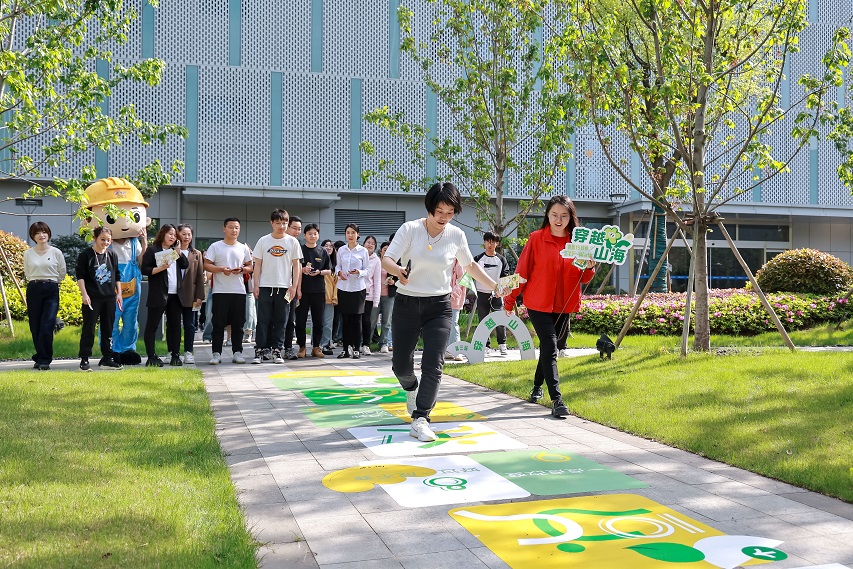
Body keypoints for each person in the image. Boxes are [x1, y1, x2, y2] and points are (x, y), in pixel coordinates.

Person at [382, 182, 506, 442]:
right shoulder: (410, 229)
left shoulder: (456, 235)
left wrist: (495, 286)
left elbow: (470, 266)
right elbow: (387, 259)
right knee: (401, 365)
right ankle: (411, 387)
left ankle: (421, 418)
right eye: (439, 212)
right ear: (429, 208)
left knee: (434, 364)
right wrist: (398, 271)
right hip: (407, 303)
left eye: (450, 213)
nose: (444, 218)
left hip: (439, 306)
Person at [504, 195, 595, 417]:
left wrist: (590, 267)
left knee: (548, 348)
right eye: (554, 214)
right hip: (538, 302)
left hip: (564, 305)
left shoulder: (578, 243)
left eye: (564, 216)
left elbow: (583, 278)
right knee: (550, 345)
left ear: (571, 218)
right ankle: (557, 399)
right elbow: (521, 272)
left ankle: (536, 387)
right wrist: (509, 300)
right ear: (547, 215)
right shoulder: (536, 239)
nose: (558, 220)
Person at [251, 209, 301, 365]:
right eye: (278, 223)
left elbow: (296, 265)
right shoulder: (263, 241)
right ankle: (260, 350)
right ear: (271, 223)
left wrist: (294, 286)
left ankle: (277, 350)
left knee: (281, 321)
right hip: (265, 286)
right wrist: (256, 285)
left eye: (284, 223)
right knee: (263, 321)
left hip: (284, 287)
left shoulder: (292, 242)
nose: (281, 226)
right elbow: (257, 264)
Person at [204, 217, 253, 365]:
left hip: (239, 291)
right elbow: (206, 265)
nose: (234, 230)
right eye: (231, 227)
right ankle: (216, 354)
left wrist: (242, 270)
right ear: (224, 229)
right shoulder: (215, 246)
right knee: (218, 324)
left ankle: (237, 352)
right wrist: (220, 269)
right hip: (220, 291)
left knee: (238, 323)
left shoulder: (243, 248)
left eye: (237, 227)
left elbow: (250, 267)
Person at [141, 224, 189, 367]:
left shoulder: (175, 251)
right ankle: (151, 356)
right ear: (162, 234)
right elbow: (144, 269)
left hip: (175, 294)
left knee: (175, 326)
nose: (172, 237)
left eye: (174, 235)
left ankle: (175, 355)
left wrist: (179, 251)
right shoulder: (153, 250)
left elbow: (185, 265)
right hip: (159, 293)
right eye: (170, 234)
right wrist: (160, 268)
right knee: (152, 325)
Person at [76, 226, 123, 370]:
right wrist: (84, 294)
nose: (105, 242)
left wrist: (119, 293)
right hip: (92, 298)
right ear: (95, 238)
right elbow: (80, 276)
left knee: (108, 328)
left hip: (109, 298)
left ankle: (107, 358)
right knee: (89, 328)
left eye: (108, 240)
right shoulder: (86, 255)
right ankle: (84, 358)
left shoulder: (112, 255)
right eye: (102, 239)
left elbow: (117, 275)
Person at [23, 221, 66, 371]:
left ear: (48, 234)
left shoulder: (56, 252)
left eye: (44, 232)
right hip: (34, 288)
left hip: (51, 288)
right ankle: (40, 356)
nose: (41, 235)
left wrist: (52, 281)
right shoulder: (28, 253)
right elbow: (27, 272)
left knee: (47, 325)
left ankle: (45, 360)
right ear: (33, 236)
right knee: (35, 325)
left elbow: (62, 272)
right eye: (37, 233)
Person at [296, 223, 332, 358]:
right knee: (300, 320)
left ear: (318, 235)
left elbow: (329, 270)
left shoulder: (322, 251)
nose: (312, 236)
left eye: (315, 234)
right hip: (303, 291)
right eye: (309, 234)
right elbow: (294, 268)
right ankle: (302, 347)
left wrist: (319, 272)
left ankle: (316, 347)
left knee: (318, 321)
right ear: (304, 235)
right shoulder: (300, 250)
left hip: (318, 290)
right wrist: (303, 270)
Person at [335, 223, 370, 359]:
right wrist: (339, 273)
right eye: (348, 232)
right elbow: (337, 267)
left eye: (353, 232)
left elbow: (367, 270)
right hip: (343, 288)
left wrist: (359, 272)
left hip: (358, 288)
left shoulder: (363, 251)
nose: (350, 235)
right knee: (345, 320)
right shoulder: (341, 250)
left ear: (358, 234)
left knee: (356, 320)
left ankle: (356, 348)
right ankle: (345, 349)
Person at [474, 231, 510, 355]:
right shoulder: (477, 259)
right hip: (482, 294)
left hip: (497, 295)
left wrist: (501, 291)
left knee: (500, 320)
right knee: (483, 321)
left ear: (497, 243)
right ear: (484, 243)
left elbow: (505, 276)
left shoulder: (501, 260)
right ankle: (486, 346)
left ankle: (502, 344)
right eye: (487, 242)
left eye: (492, 242)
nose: (490, 245)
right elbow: (471, 275)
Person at [176, 224, 205, 364]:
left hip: (190, 294)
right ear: (177, 235)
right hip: (174, 293)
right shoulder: (171, 251)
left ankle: (188, 352)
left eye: (189, 234)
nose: (186, 237)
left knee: (190, 325)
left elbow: (200, 276)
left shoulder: (196, 253)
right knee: (174, 324)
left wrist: (199, 296)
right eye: (183, 234)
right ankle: (173, 352)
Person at [282, 215, 303, 360]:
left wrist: (297, 288)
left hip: (291, 289)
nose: (297, 231)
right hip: (275, 286)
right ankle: (270, 348)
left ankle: (288, 348)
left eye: (299, 229)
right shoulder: (277, 242)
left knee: (290, 319)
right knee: (275, 320)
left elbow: (298, 268)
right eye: (294, 228)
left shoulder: (296, 244)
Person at [361, 235, 382, 355]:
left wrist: (376, 300)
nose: (370, 245)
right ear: (363, 243)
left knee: (366, 321)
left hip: (368, 295)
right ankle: (355, 344)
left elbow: (377, 281)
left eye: (373, 243)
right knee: (355, 320)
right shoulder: (358, 255)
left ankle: (366, 345)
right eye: (368, 242)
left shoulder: (376, 260)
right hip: (355, 293)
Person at [444, 259, 466, 362]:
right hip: (442, 296)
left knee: (453, 323)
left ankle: (457, 351)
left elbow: (462, 280)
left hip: (454, 298)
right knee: (444, 324)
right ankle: (448, 350)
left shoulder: (459, 261)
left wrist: (453, 294)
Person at [377, 241, 395, 354]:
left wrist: (394, 282)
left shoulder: (393, 263)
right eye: (384, 249)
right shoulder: (376, 261)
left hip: (388, 296)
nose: (386, 252)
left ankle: (384, 343)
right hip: (375, 296)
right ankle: (366, 343)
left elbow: (400, 278)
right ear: (381, 251)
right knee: (371, 321)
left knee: (387, 321)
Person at [319, 239, 337, 355]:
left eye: (331, 246)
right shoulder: (318, 261)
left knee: (328, 323)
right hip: (318, 295)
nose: (328, 248)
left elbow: (337, 283)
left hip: (330, 298)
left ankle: (326, 344)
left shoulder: (336, 265)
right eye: (326, 245)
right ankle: (316, 344)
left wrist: (335, 297)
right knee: (317, 322)